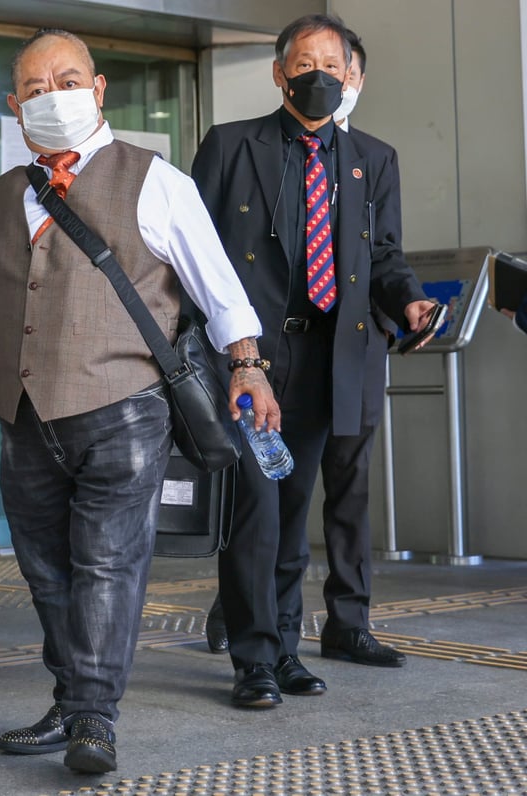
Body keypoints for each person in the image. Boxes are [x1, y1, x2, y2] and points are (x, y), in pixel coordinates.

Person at [0, 28, 276, 774]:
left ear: (97, 90)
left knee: (107, 562)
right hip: (24, 416)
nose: (51, 96)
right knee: (46, 570)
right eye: (34, 88)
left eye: (66, 81)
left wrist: (248, 367)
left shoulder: (154, 181)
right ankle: (70, 701)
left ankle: (94, 715)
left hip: (126, 406)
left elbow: (219, 287)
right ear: (14, 105)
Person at [191, 13, 438, 709]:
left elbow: (384, 254)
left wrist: (411, 300)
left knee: (294, 506)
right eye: (305, 64)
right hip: (252, 357)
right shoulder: (231, 146)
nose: (319, 76)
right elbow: (192, 252)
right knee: (256, 509)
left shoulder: (372, 159)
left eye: (332, 64)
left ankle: (285, 650)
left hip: (330, 354)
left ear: (349, 73)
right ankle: (254, 660)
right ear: (279, 73)